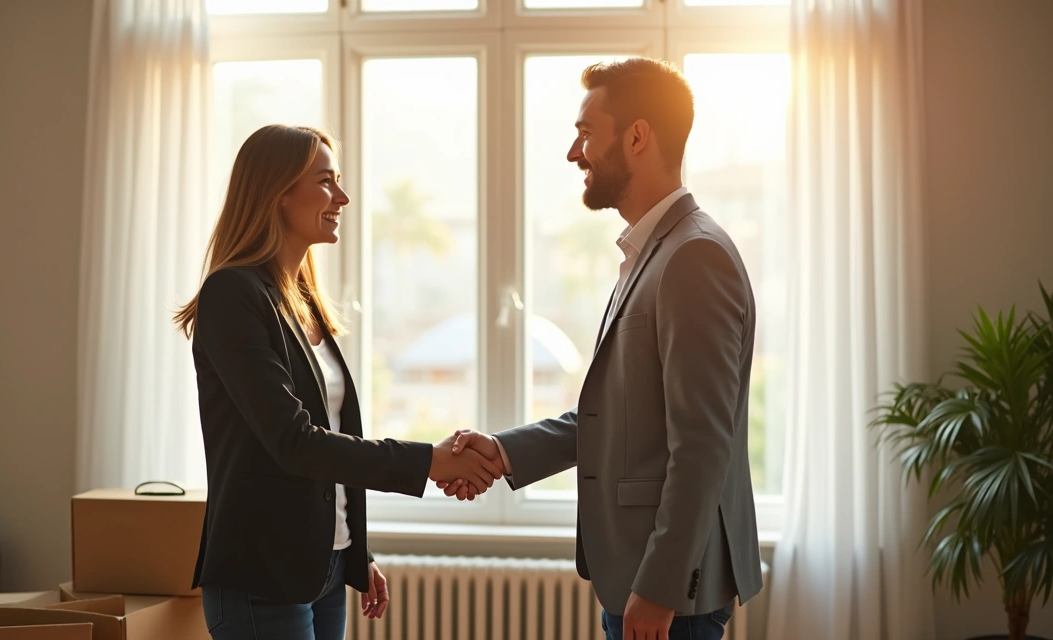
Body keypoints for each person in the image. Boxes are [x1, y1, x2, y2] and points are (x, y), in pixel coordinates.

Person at [443, 58, 763, 640]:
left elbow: (701, 444)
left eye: (586, 133)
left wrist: (660, 588)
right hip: (637, 576)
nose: (574, 153)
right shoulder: (653, 253)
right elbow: (614, 417)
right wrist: (504, 452)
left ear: (637, 137)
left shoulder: (693, 257)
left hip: (669, 593)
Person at [174, 124, 500, 640]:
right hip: (263, 574)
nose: (342, 198)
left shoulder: (302, 299)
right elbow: (295, 442)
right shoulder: (232, 294)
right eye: (326, 182)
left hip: (325, 566)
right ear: (278, 193)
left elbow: (330, 434)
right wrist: (430, 461)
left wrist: (355, 549)